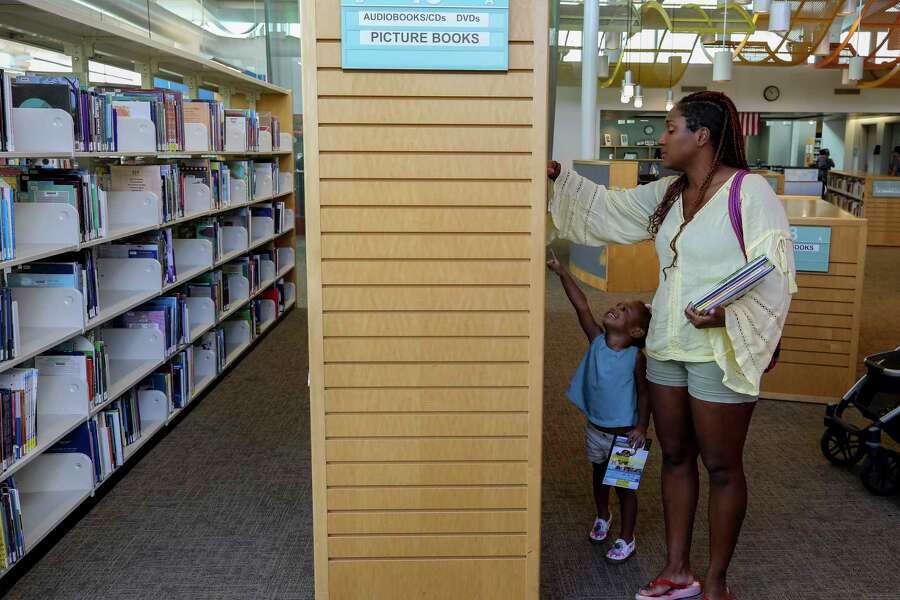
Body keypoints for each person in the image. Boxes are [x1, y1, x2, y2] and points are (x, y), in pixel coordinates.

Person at [547, 91, 796, 600]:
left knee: (722, 465)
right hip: (665, 343)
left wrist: (728, 313)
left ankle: (716, 584)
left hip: (719, 350)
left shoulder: (749, 192)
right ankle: (677, 571)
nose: (661, 138)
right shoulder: (668, 193)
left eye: (670, 128)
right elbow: (607, 210)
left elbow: (775, 271)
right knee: (676, 456)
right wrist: (557, 178)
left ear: (701, 135)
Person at [546, 252, 651, 564]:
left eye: (624, 310)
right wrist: (562, 272)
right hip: (596, 429)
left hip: (625, 437)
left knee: (625, 489)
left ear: (636, 333)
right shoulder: (597, 340)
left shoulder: (636, 358)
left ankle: (627, 538)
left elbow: (646, 394)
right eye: (617, 306)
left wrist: (642, 428)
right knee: (598, 475)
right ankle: (603, 515)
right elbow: (582, 306)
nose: (615, 308)